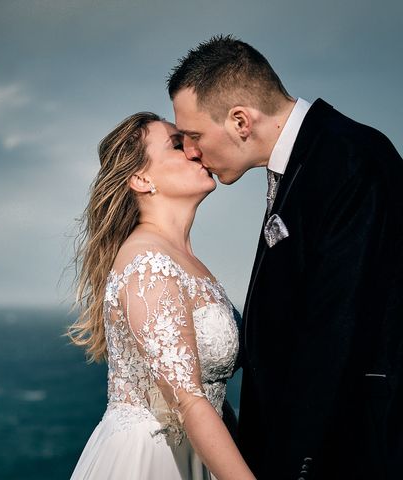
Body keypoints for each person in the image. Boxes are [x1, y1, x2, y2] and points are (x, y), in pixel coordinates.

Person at [167, 35, 403, 479]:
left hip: (344, 456)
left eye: (194, 136)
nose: (192, 152)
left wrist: (294, 466)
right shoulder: (310, 158)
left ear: (240, 120)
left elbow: (336, 329)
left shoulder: (349, 160)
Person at [68, 112, 255, 479]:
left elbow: (211, 392)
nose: (195, 150)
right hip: (151, 462)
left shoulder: (184, 260)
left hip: (201, 457)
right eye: (177, 144)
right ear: (141, 178)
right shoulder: (148, 265)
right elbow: (188, 401)